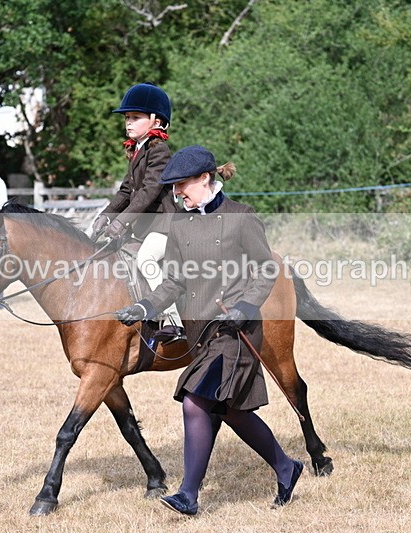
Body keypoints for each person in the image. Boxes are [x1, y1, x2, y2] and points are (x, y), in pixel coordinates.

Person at [113, 145, 304, 516]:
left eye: (182, 185)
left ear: (205, 178)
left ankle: (188, 494)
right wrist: (144, 306)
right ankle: (286, 466)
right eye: (173, 187)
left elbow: (266, 269)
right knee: (232, 411)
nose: (177, 193)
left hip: (236, 332)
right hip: (199, 333)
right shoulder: (180, 224)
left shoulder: (241, 217)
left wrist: (246, 306)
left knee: (194, 400)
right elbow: (174, 280)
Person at [91, 82, 183, 344]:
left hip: (164, 226)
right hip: (144, 227)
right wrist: (106, 215)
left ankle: (174, 321)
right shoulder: (137, 150)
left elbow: (148, 191)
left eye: (135, 117)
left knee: (145, 259)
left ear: (156, 121)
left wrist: (121, 222)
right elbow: (126, 190)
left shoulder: (159, 150)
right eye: (127, 118)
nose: (128, 123)